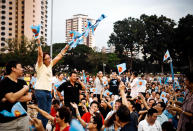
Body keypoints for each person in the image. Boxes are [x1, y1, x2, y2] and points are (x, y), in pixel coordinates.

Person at [34, 39, 69, 128]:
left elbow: (59, 56)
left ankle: (43, 128)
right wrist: (39, 43)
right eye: (47, 58)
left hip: (48, 92)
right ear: (43, 60)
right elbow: (40, 54)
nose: (50, 60)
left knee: (47, 112)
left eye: (50, 58)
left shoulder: (49, 65)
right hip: (40, 91)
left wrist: (66, 48)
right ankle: (38, 129)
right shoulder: (39, 66)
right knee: (42, 112)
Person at [0, 60, 31, 130]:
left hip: (23, 119)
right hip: (7, 122)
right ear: (13, 69)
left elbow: (29, 97)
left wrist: (7, 99)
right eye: (20, 67)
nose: (22, 69)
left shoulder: (22, 82)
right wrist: (25, 89)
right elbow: (12, 99)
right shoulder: (4, 82)